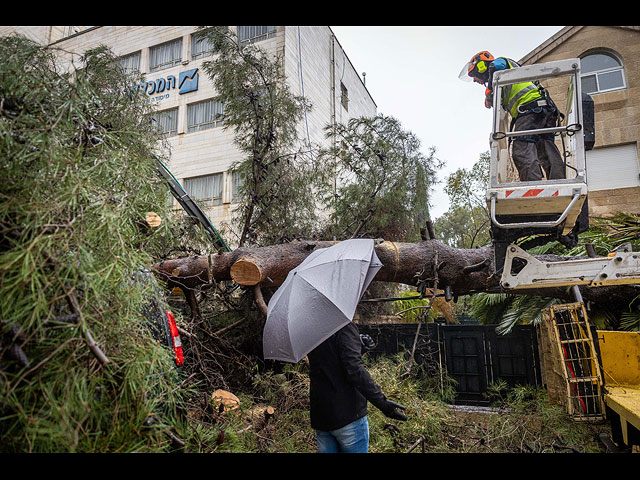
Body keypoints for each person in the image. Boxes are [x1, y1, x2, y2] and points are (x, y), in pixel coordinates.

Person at [462, 51, 565, 182]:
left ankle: (532, 186)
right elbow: (497, 101)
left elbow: (495, 67)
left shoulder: (500, 62)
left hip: (530, 108)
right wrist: (490, 96)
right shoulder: (504, 78)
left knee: (522, 148)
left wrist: (489, 88)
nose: (474, 80)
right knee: (545, 147)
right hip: (544, 108)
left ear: (480, 67)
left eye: (474, 76)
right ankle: (558, 181)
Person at [306, 321, 407, 453]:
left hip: (322, 418)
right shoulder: (343, 325)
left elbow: (328, 363)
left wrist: (358, 347)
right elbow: (354, 370)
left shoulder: (309, 329)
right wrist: (383, 403)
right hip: (348, 417)